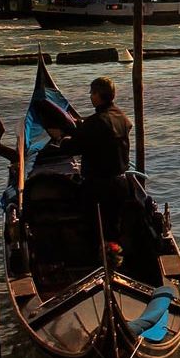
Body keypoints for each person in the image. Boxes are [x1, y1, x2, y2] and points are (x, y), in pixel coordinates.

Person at [50, 77, 134, 240]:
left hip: (98, 186)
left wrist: (60, 139)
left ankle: (101, 258)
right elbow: (103, 136)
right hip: (121, 183)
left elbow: (74, 148)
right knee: (115, 227)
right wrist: (81, 127)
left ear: (97, 95)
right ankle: (115, 258)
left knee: (96, 227)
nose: (90, 96)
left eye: (91, 93)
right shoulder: (121, 117)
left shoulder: (95, 122)